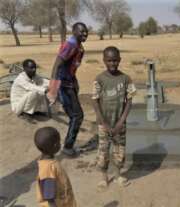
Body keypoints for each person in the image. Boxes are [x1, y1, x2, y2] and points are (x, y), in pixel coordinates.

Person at [91, 46, 137, 188]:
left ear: (120, 60)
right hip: (103, 124)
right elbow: (95, 100)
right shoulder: (99, 79)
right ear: (104, 60)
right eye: (109, 60)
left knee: (120, 150)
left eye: (115, 60)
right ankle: (103, 177)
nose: (112, 63)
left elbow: (129, 101)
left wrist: (121, 121)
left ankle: (118, 175)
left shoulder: (126, 79)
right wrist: (103, 122)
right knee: (103, 150)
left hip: (120, 123)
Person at [47, 22, 88, 156]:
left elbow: (71, 68)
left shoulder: (79, 47)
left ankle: (68, 144)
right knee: (77, 115)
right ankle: (68, 147)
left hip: (69, 84)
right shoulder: (70, 45)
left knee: (74, 116)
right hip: (63, 86)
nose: (84, 34)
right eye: (81, 31)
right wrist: (53, 90)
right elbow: (57, 65)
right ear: (74, 31)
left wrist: (75, 81)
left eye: (86, 31)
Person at [35, 127, 77, 207]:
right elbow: (49, 196)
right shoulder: (48, 169)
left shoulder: (49, 162)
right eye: (59, 142)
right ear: (55, 145)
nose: (60, 144)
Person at [10, 59, 49, 123]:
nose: (34, 69)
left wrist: (54, 84)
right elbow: (31, 87)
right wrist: (45, 90)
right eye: (31, 68)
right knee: (35, 91)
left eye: (34, 67)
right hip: (18, 106)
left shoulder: (33, 76)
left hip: (25, 101)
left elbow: (43, 81)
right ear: (25, 68)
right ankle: (25, 113)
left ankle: (37, 111)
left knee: (41, 88)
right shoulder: (20, 78)